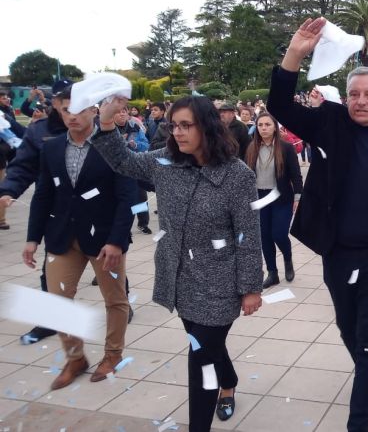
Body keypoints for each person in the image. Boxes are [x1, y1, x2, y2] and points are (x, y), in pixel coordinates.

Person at [266, 17, 368, 432]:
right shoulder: (331, 122)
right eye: (354, 93)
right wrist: (295, 54)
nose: (360, 101)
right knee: (347, 328)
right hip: (338, 253)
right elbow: (280, 107)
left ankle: (360, 418)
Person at [91, 95, 263, 431]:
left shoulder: (236, 175)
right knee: (206, 343)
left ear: (207, 128)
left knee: (200, 354)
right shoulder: (166, 163)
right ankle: (229, 380)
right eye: (174, 126)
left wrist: (251, 288)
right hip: (179, 279)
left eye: (186, 125)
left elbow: (249, 235)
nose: (178, 132)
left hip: (220, 283)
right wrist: (107, 123)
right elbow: (124, 162)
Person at [23, 86, 136, 389]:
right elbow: (43, 195)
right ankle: (75, 358)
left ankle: (112, 354)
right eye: (65, 110)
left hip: (104, 239)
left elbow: (127, 197)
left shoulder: (111, 145)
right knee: (58, 300)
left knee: (115, 299)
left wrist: (116, 240)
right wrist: (33, 237)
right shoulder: (52, 148)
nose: (71, 116)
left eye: (78, 109)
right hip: (61, 236)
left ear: (92, 110)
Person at [0, 80, 70, 343]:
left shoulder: (93, 127)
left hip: (92, 210)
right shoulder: (40, 131)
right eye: (66, 106)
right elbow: (23, 166)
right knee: (51, 267)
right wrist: (9, 190)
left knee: (107, 265)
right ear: (55, 104)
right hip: (55, 208)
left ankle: (120, 305)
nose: (73, 113)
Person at [244, 112, 302, 289]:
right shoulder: (251, 148)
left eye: (267, 125)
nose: (263, 128)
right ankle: (272, 273)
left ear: (275, 127)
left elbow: (296, 175)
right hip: (260, 197)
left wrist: (298, 198)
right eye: (260, 125)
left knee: (279, 234)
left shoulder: (285, 148)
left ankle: (287, 257)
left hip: (280, 196)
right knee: (265, 236)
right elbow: (246, 175)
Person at [114, 106, 152, 234]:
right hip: (118, 169)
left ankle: (142, 223)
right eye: (118, 112)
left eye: (124, 111)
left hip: (136, 167)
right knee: (122, 199)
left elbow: (146, 144)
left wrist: (135, 144)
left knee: (140, 197)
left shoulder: (135, 127)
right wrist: (122, 141)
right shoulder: (109, 130)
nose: (121, 114)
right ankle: (125, 226)